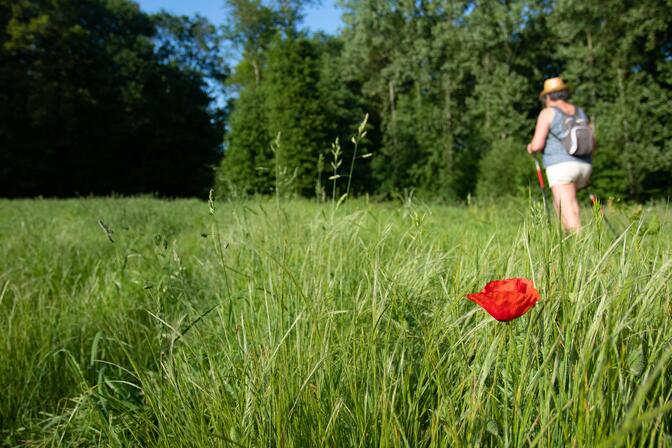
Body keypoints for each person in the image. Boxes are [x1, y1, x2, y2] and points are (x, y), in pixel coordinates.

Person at [527, 77, 593, 232]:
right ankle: (568, 242)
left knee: (567, 206)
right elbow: (593, 141)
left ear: (548, 97)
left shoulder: (548, 113)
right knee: (563, 205)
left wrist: (530, 148)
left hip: (560, 165)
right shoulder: (580, 112)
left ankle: (579, 244)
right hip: (585, 164)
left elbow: (537, 145)